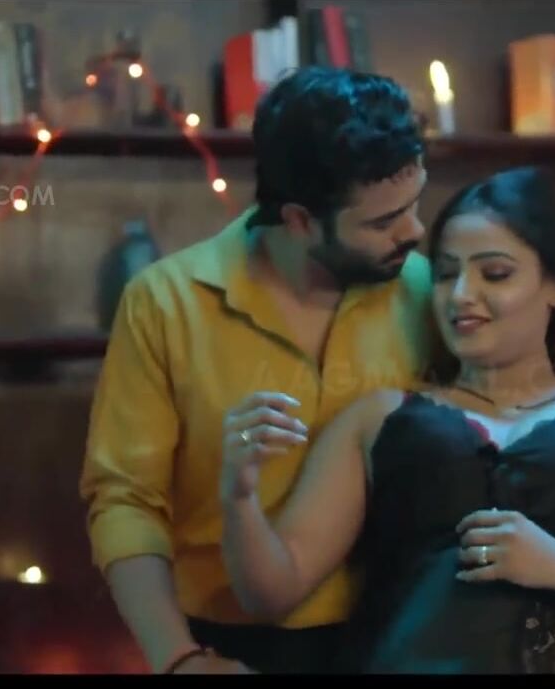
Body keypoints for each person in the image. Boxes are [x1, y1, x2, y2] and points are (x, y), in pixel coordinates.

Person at [219, 166, 555, 673]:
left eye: (495, 273)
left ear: (554, 285)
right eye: (446, 274)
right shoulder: (380, 420)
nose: (462, 293)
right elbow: (272, 592)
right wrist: (239, 496)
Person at [78, 66, 436, 675]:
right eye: (382, 222)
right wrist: (180, 661)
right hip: (226, 648)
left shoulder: (428, 291)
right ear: (298, 220)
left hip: (401, 640)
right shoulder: (165, 303)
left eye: (414, 205)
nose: (415, 231)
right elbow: (125, 501)